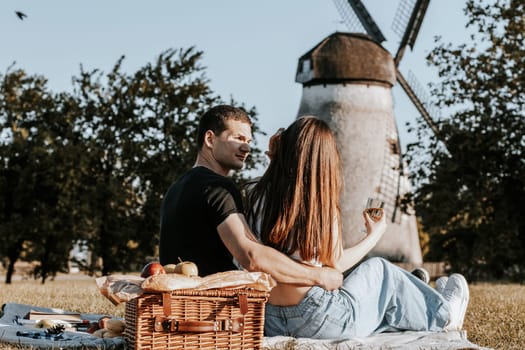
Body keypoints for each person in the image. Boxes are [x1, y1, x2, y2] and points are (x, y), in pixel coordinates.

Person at [245, 116, 470, 339]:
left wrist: (276, 159)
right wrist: (375, 235)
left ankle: (421, 296)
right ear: (327, 159)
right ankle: (445, 315)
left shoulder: (255, 192)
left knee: (369, 282)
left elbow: (277, 185)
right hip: (317, 317)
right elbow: (335, 263)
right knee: (380, 270)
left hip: (269, 316)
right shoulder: (319, 203)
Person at [159, 105, 342, 291]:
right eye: (238, 138)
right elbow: (251, 255)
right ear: (209, 139)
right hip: (213, 309)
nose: (246, 147)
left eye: (248, 140)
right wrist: (318, 276)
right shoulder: (218, 188)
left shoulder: (176, 189)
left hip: (178, 304)